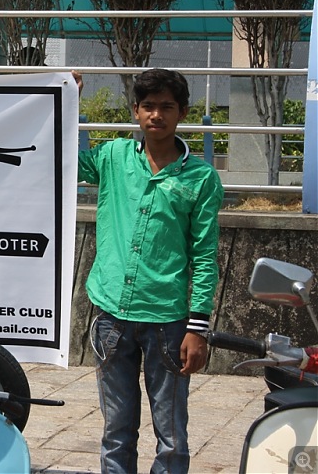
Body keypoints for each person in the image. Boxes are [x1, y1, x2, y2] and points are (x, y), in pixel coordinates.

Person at [77, 68, 224, 473]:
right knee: (116, 429)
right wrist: (65, 98)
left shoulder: (201, 178)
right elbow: (57, 159)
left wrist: (198, 328)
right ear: (135, 111)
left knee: (172, 433)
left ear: (183, 113)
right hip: (111, 317)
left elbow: (205, 255)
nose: (156, 115)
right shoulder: (112, 157)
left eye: (166, 107)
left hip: (169, 323)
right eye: (147, 106)